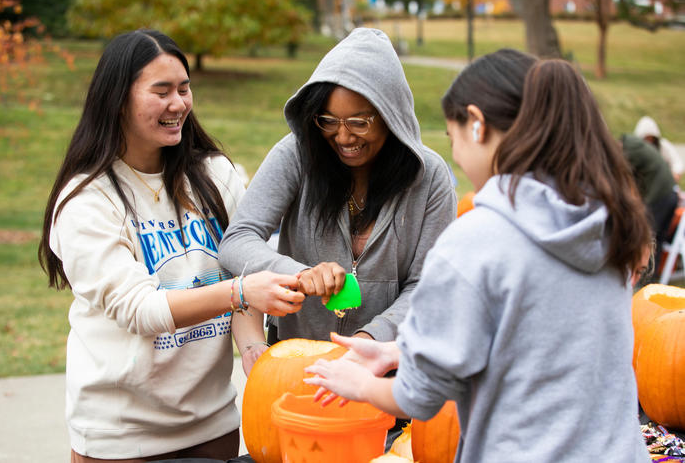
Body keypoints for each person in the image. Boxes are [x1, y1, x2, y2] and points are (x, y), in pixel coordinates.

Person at [304, 50, 652, 462]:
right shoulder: (609, 222)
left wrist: (358, 385)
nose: (455, 158)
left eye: (453, 139)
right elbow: (539, 343)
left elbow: (420, 396)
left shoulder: (475, 240)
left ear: (477, 124)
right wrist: (400, 351)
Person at [37, 29, 304, 462]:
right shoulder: (86, 201)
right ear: (117, 100)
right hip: (122, 436)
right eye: (161, 92)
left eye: (184, 89)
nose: (178, 103)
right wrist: (240, 292)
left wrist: (253, 347)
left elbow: (238, 269)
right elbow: (141, 310)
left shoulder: (216, 177)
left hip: (212, 422)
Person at [218, 27, 457, 349]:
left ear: (391, 116)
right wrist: (300, 274)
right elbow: (238, 239)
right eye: (329, 120)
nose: (343, 137)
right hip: (295, 353)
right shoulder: (296, 154)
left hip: (384, 359)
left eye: (360, 123)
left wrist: (370, 338)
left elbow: (427, 284)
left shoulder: (429, 178)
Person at [621, 133, 679, 281]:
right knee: (657, 239)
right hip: (672, 194)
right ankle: (651, 279)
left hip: (661, 196)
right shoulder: (638, 147)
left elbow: (621, 176)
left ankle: (642, 278)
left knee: (646, 236)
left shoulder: (629, 149)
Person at [634, 115, 683, 182]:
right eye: (646, 139)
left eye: (651, 138)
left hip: (664, 185)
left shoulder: (663, 146)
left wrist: (673, 177)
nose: (649, 142)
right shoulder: (635, 151)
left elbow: (678, 164)